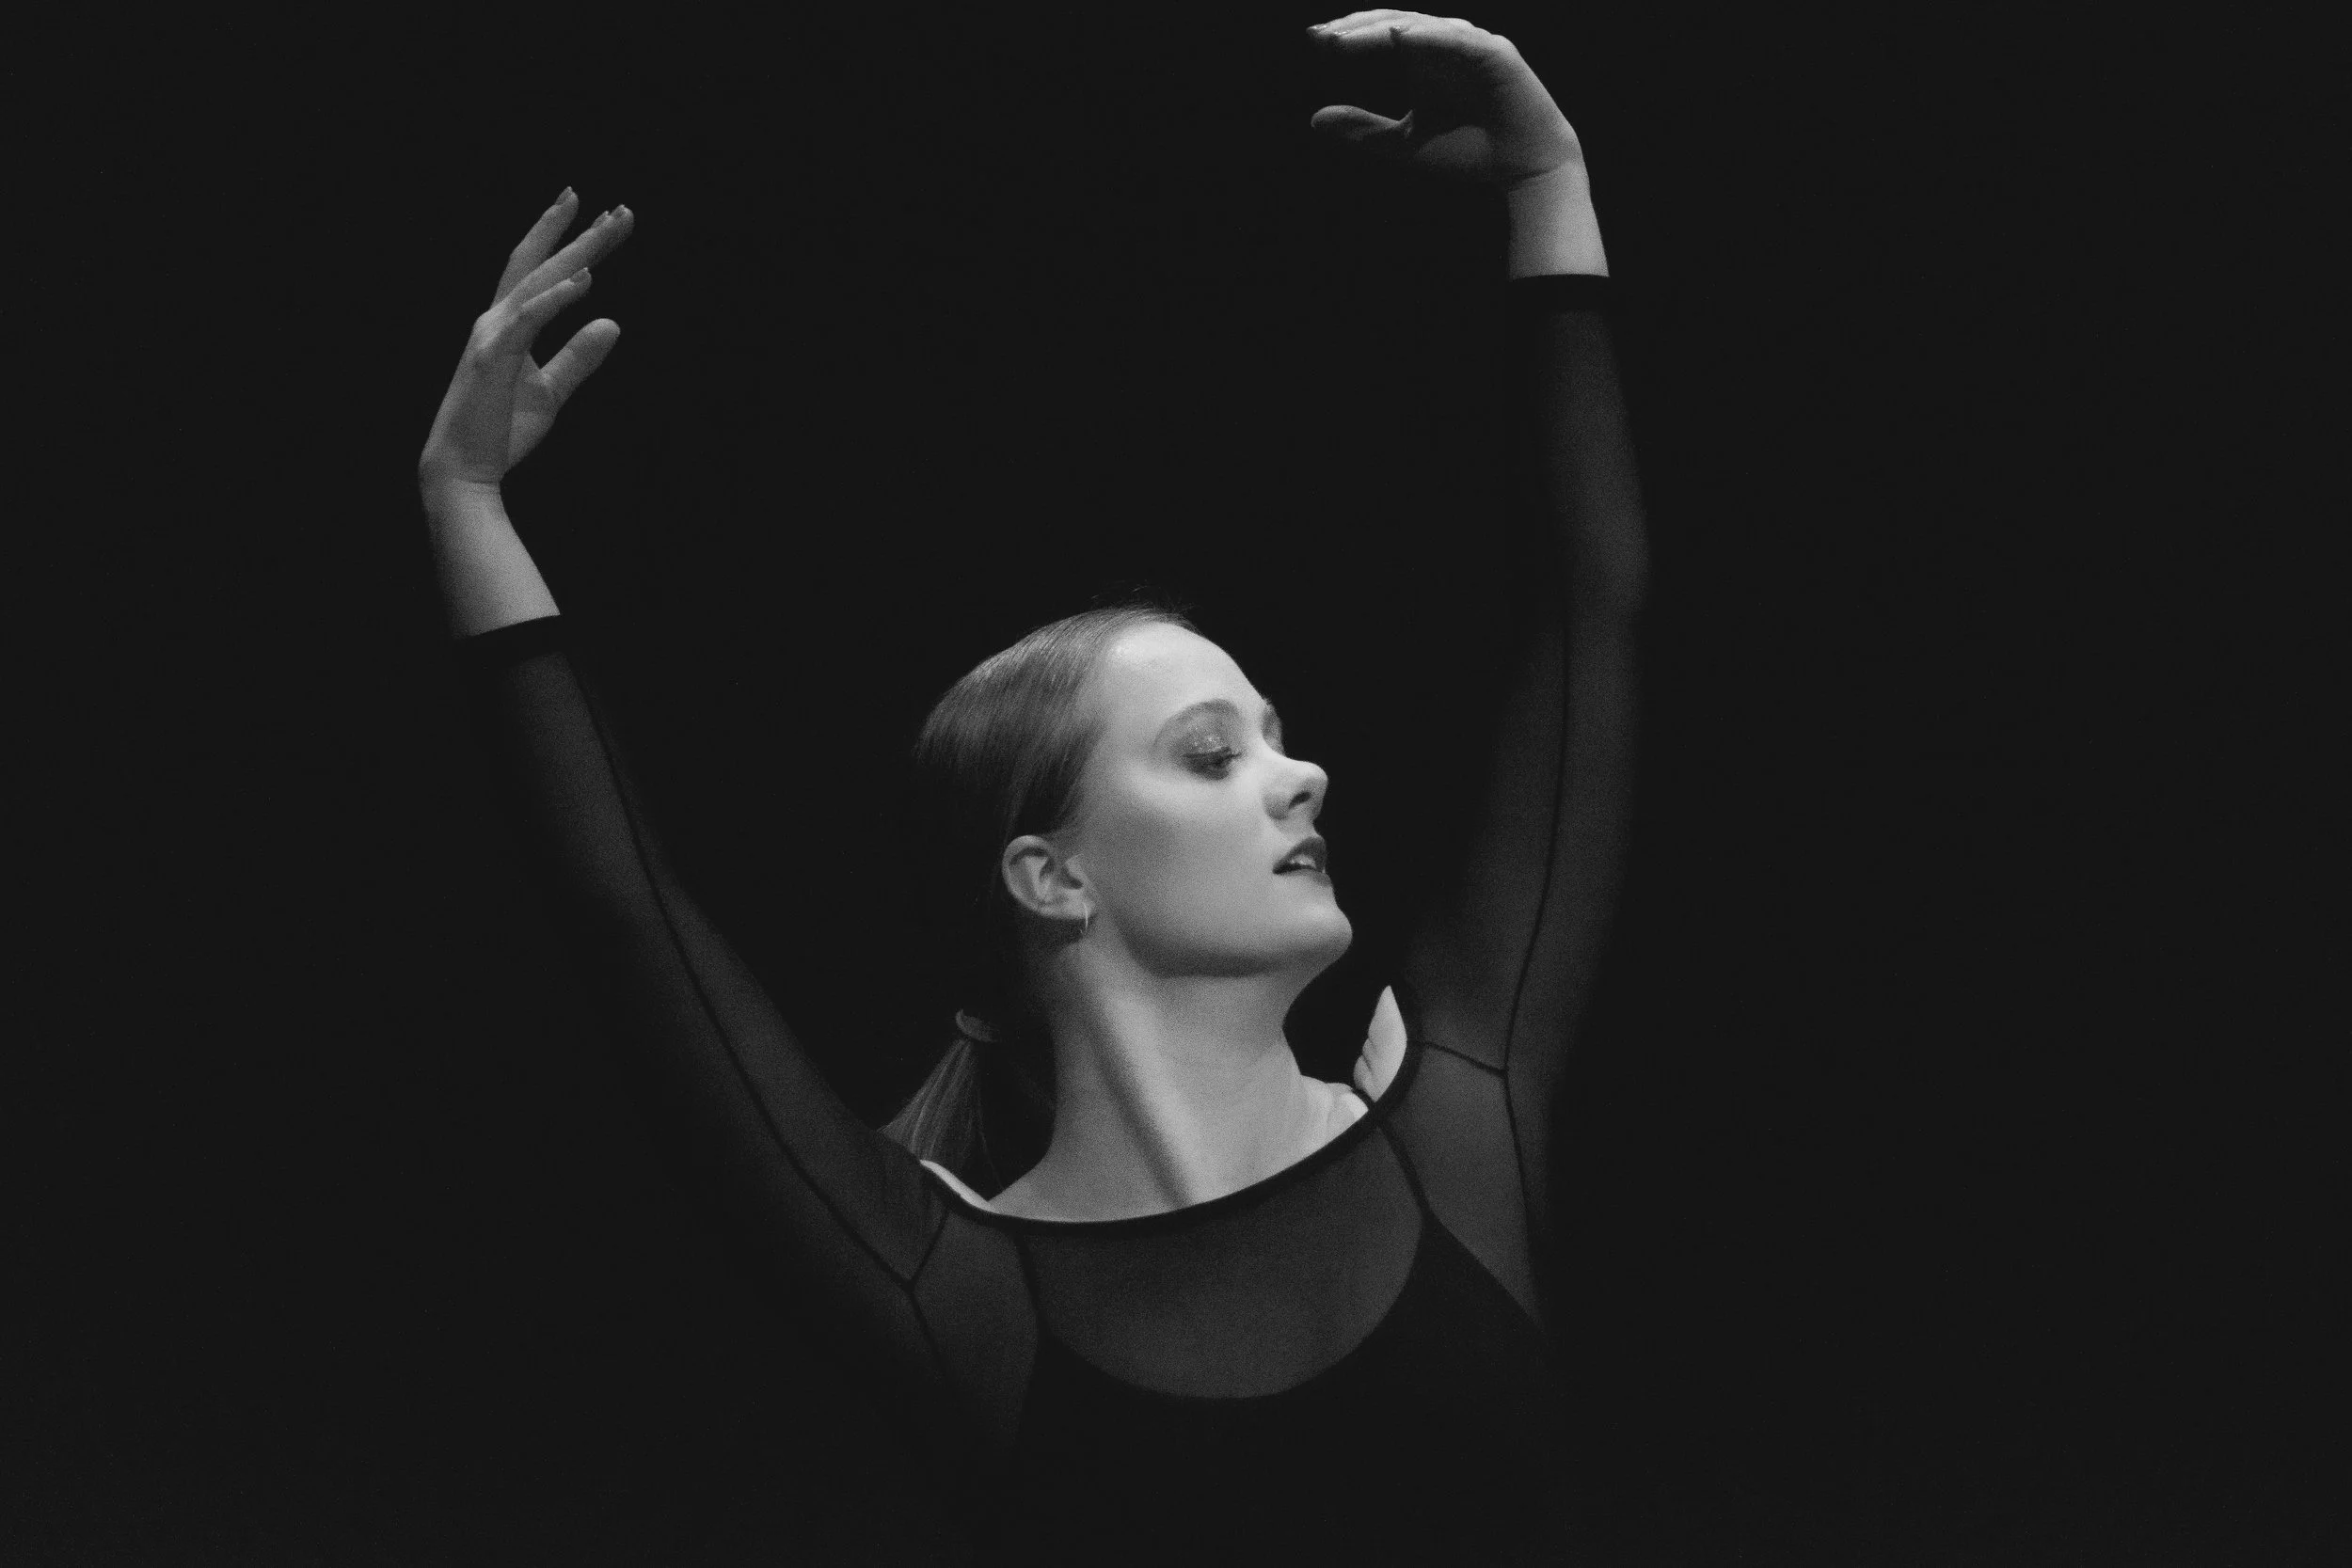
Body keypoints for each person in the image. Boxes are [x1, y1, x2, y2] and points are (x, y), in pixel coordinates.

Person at [419, 11, 1645, 1562]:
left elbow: (1594, 613)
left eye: (1275, 734)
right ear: (1047, 873)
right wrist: (466, 504)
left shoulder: (1461, 1110)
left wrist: (1550, 184)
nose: (1303, 772)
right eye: (1214, 752)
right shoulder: (954, 1280)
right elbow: (629, 917)